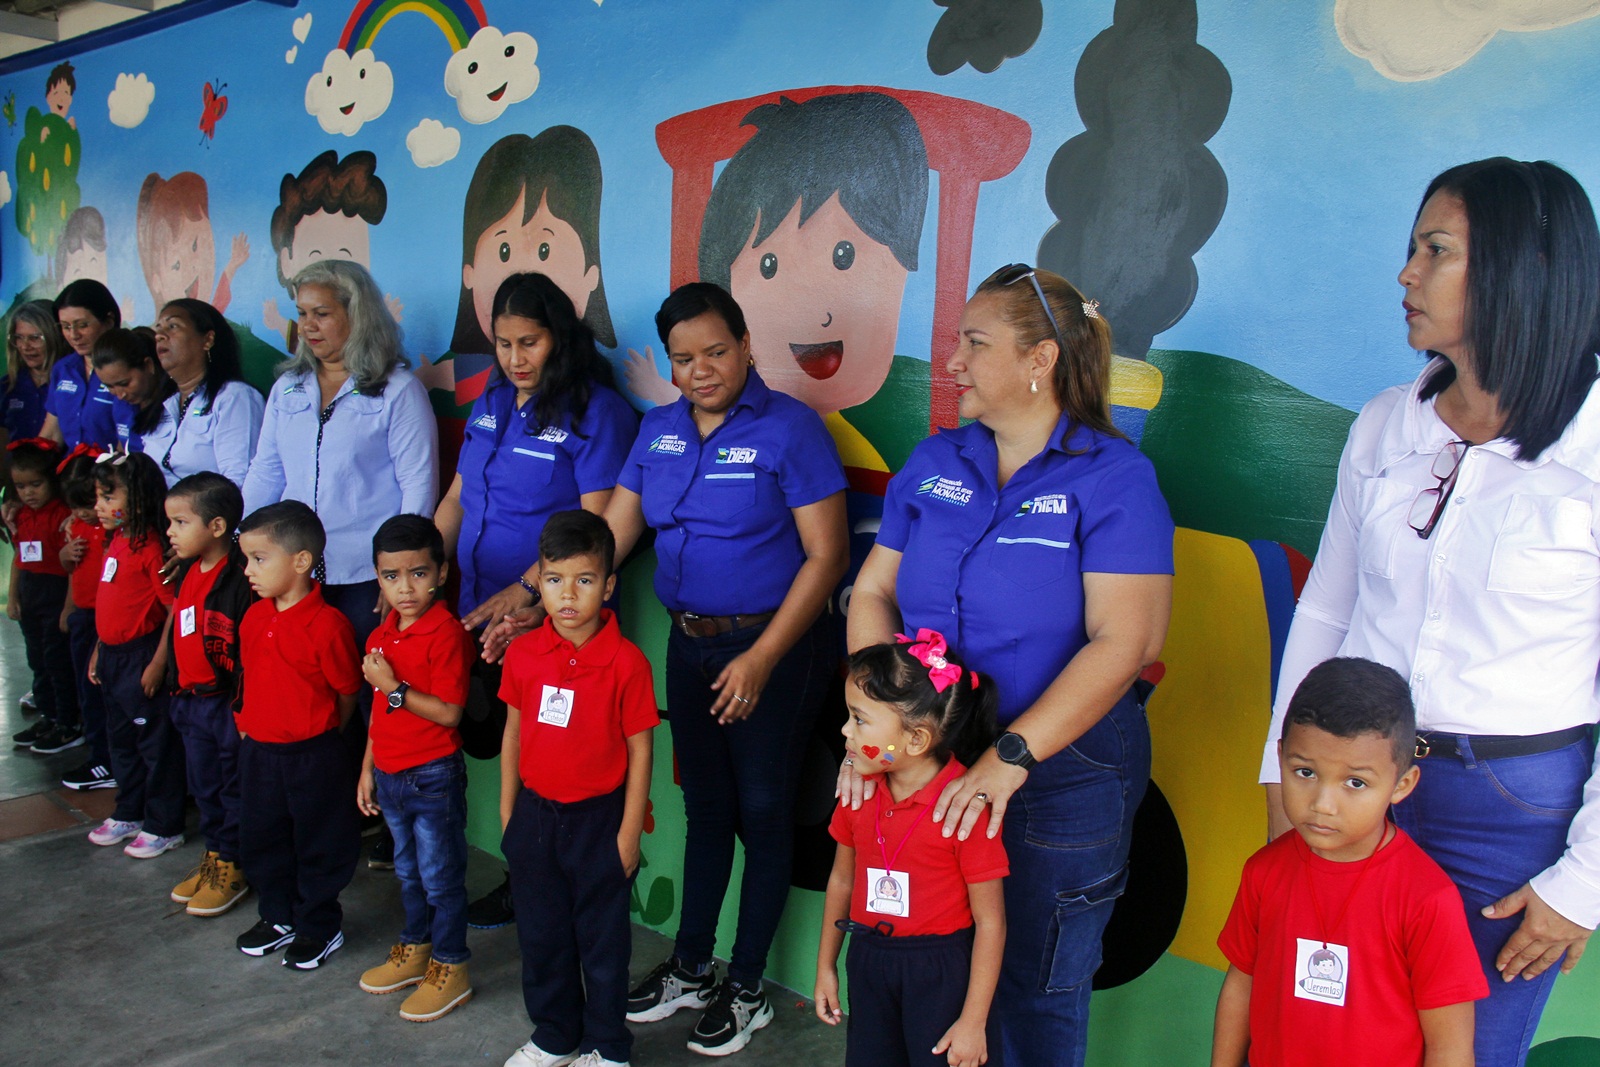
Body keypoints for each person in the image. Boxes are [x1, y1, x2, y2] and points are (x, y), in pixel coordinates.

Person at [1259, 158, 1600, 1067]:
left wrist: (1582, 884)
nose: (1406, 274)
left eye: (1435, 250)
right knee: (1330, 1036)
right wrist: (1284, 776)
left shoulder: (1593, 446)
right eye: (1413, 249)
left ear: (1520, 269)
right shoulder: (1385, 424)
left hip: (1510, 815)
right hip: (1358, 785)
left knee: (1467, 1052)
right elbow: (1326, 612)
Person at [844, 263, 1174, 1067]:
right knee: (938, 972)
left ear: (1040, 361)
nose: (951, 360)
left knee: (1033, 984)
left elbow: (1124, 644)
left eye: (974, 342)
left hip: (1064, 773)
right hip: (933, 763)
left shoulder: (1114, 478)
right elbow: (873, 592)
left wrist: (1010, 757)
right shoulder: (933, 462)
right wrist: (871, 728)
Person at [608, 282, 847, 1057]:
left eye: (716, 351)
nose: (702, 369)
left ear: (746, 345)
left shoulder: (791, 429)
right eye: (684, 358)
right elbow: (612, 529)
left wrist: (762, 656)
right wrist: (540, 591)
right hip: (690, 644)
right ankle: (691, 966)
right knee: (708, 809)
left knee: (765, 811)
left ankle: (748, 987)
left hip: (775, 649)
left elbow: (827, 556)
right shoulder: (660, 431)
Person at [435, 271, 637, 926]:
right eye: (503, 343)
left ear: (561, 337)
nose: (516, 359)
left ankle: (550, 890)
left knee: (555, 757)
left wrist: (527, 596)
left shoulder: (596, 411)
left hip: (549, 621)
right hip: (473, 605)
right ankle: (520, 871)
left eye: (530, 342)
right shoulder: (493, 401)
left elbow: (596, 524)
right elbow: (459, 497)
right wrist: (422, 572)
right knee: (493, 740)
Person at [1219, 658, 1486, 1066]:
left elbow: (1449, 1046)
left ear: (1402, 785)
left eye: (1355, 783)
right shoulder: (1264, 871)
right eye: (1305, 772)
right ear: (1281, 758)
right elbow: (1242, 983)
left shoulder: (1427, 899)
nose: (1323, 804)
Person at [499, 510, 658, 1067]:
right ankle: (555, 1035)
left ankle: (608, 1048)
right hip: (536, 819)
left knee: (603, 946)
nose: (568, 596)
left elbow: (641, 749)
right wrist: (508, 815)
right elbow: (514, 731)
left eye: (585, 581)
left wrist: (628, 834)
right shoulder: (522, 654)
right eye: (554, 580)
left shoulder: (627, 663)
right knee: (542, 939)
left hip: (599, 821)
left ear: (609, 586)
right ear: (538, 582)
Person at [815, 633, 1007, 1067]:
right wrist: (826, 965)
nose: (844, 730)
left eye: (859, 720)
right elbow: (842, 880)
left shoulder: (964, 809)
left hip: (941, 973)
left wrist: (974, 1022)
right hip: (868, 959)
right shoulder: (858, 792)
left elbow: (990, 922)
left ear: (916, 740)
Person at [243, 258, 438, 649]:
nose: (307, 326)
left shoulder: (397, 390)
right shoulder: (287, 388)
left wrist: (400, 572)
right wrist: (243, 542)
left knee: (366, 684)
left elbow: (418, 482)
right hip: (293, 571)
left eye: (321, 314)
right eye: (301, 314)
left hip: (365, 574)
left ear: (358, 316)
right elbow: (266, 472)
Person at [233, 500, 363, 970]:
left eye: (259, 558)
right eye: (246, 558)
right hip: (260, 753)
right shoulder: (253, 618)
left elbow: (347, 693)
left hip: (314, 755)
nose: (248, 569)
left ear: (302, 561)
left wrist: (321, 737)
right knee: (263, 837)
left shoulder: (329, 626)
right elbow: (249, 680)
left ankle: (319, 924)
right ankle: (277, 916)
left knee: (319, 840)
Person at [356, 515, 476, 1023]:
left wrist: (393, 688)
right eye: (391, 576)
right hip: (390, 773)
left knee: (440, 876)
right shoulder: (383, 632)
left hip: (431, 776)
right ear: (378, 577)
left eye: (418, 574)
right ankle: (416, 948)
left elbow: (449, 712)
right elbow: (378, 714)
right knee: (407, 872)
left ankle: (451, 965)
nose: (405, 588)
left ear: (441, 572)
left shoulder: (446, 633)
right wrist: (367, 769)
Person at [84, 451, 186, 860]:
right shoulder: (118, 540)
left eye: (109, 497)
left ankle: (164, 824)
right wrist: (98, 649)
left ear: (140, 498)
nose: (99, 507)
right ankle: (129, 811)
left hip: (141, 658)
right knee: (121, 740)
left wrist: (159, 661)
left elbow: (174, 609)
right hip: (112, 657)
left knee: (154, 744)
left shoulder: (151, 548)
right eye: (97, 497)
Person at [164, 472, 254, 917]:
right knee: (204, 786)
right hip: (190, 699)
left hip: (225, 706)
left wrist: (240, 711)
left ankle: (235, 865)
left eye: (180, 522)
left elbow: (247, 657)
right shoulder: (185, 568)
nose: (170, 532)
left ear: (216, 527)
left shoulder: (240, 578)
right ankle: (216, 855)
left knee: (233, 786)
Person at [5, 438, 81, 754]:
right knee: (37, 661)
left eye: (35, 484)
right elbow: (19, 559)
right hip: (31, 594)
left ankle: (69, 723)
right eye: (21, 487)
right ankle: (49, 716)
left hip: (56, 594)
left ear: (52, 481)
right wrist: (13, 597)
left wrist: (67, 608)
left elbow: (74, 569)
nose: (28, 493)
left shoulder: (64, 516)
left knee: (58, 662)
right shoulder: (21, 515)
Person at [143, 300, 265, 487]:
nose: (159, 336)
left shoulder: (235, 397)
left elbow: (238, 483)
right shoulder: (166, 403)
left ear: (208, 340)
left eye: (173, 326)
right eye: (158, 328)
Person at [55, 446, 115, 791]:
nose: (86, 512)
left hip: (108, 624)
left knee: (107, 696)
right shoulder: (75, 525)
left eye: (89, 502)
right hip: (84, 618)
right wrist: (65, 557)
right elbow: (71, 570)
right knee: (87, 692)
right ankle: (99, 757)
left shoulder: (111, 528)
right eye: (76, 506)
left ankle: (110, 760)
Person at [41, 279, 119, 449]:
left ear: (109, 320)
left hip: (113, 470)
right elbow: (52, 434)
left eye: (82, 325)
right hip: (72, 472)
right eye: (65, 326)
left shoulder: (126, 370)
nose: (73, 335)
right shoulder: (63, 369)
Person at [91, 327, 172, 453]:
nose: (119, 395)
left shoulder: (175, 404)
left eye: (124, 383)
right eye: (109, 386)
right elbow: (123, 448)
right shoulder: (121, 404)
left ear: (148, 365)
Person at [3, 301, 65, 449]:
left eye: (35, 338)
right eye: (19, 337)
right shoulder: (6, 387)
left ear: (55, 336)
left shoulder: (71, 385)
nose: (25, 346)